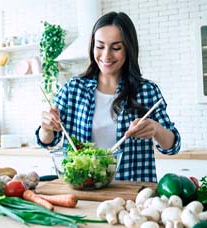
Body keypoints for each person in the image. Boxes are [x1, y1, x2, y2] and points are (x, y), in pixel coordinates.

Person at [35, 11, 181, 182]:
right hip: (83, 190)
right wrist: (46, 128)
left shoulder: (147, 91)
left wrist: (156, 130)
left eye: (116, 48)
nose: (106, 55)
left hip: (132, 193)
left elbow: (173, 146)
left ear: (128, 48)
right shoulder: (73, 89)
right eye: (100, 46)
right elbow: (49, 142)